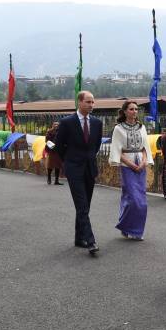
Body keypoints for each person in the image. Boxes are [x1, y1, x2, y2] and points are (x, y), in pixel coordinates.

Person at [55, 91, 103, 256]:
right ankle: (90, 241)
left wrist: (88, 158)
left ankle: (78, 238)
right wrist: (69, 161)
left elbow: (96, 145)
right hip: (74, 168)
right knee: (82, 205)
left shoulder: (97, 123)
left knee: (85, 205)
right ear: (80, 102)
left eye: (93, 102)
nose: (91, 105)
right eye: (88, 102)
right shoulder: (67, 122)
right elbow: (59, 146)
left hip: (90, 167)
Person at [108, 100, 153, 240]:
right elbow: (116, 150)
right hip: (127, 166)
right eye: (131, 109)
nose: (134, 111)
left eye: (136, 109)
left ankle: (134, 230)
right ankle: (128, 226)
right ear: (125, 111)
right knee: (133, 199)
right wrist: (131, 164)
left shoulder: (142, 127)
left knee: (141, 200)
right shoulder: (118, 128)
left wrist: (144, 161)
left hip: (141, 164)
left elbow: (145, 147)